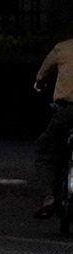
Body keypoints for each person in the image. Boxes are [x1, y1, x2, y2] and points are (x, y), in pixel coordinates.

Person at [33, 34, 73, 219]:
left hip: (66, 111)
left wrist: (40, 85)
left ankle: (48, 198)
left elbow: (42, 75)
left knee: (45, 153)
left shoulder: (62, 48)